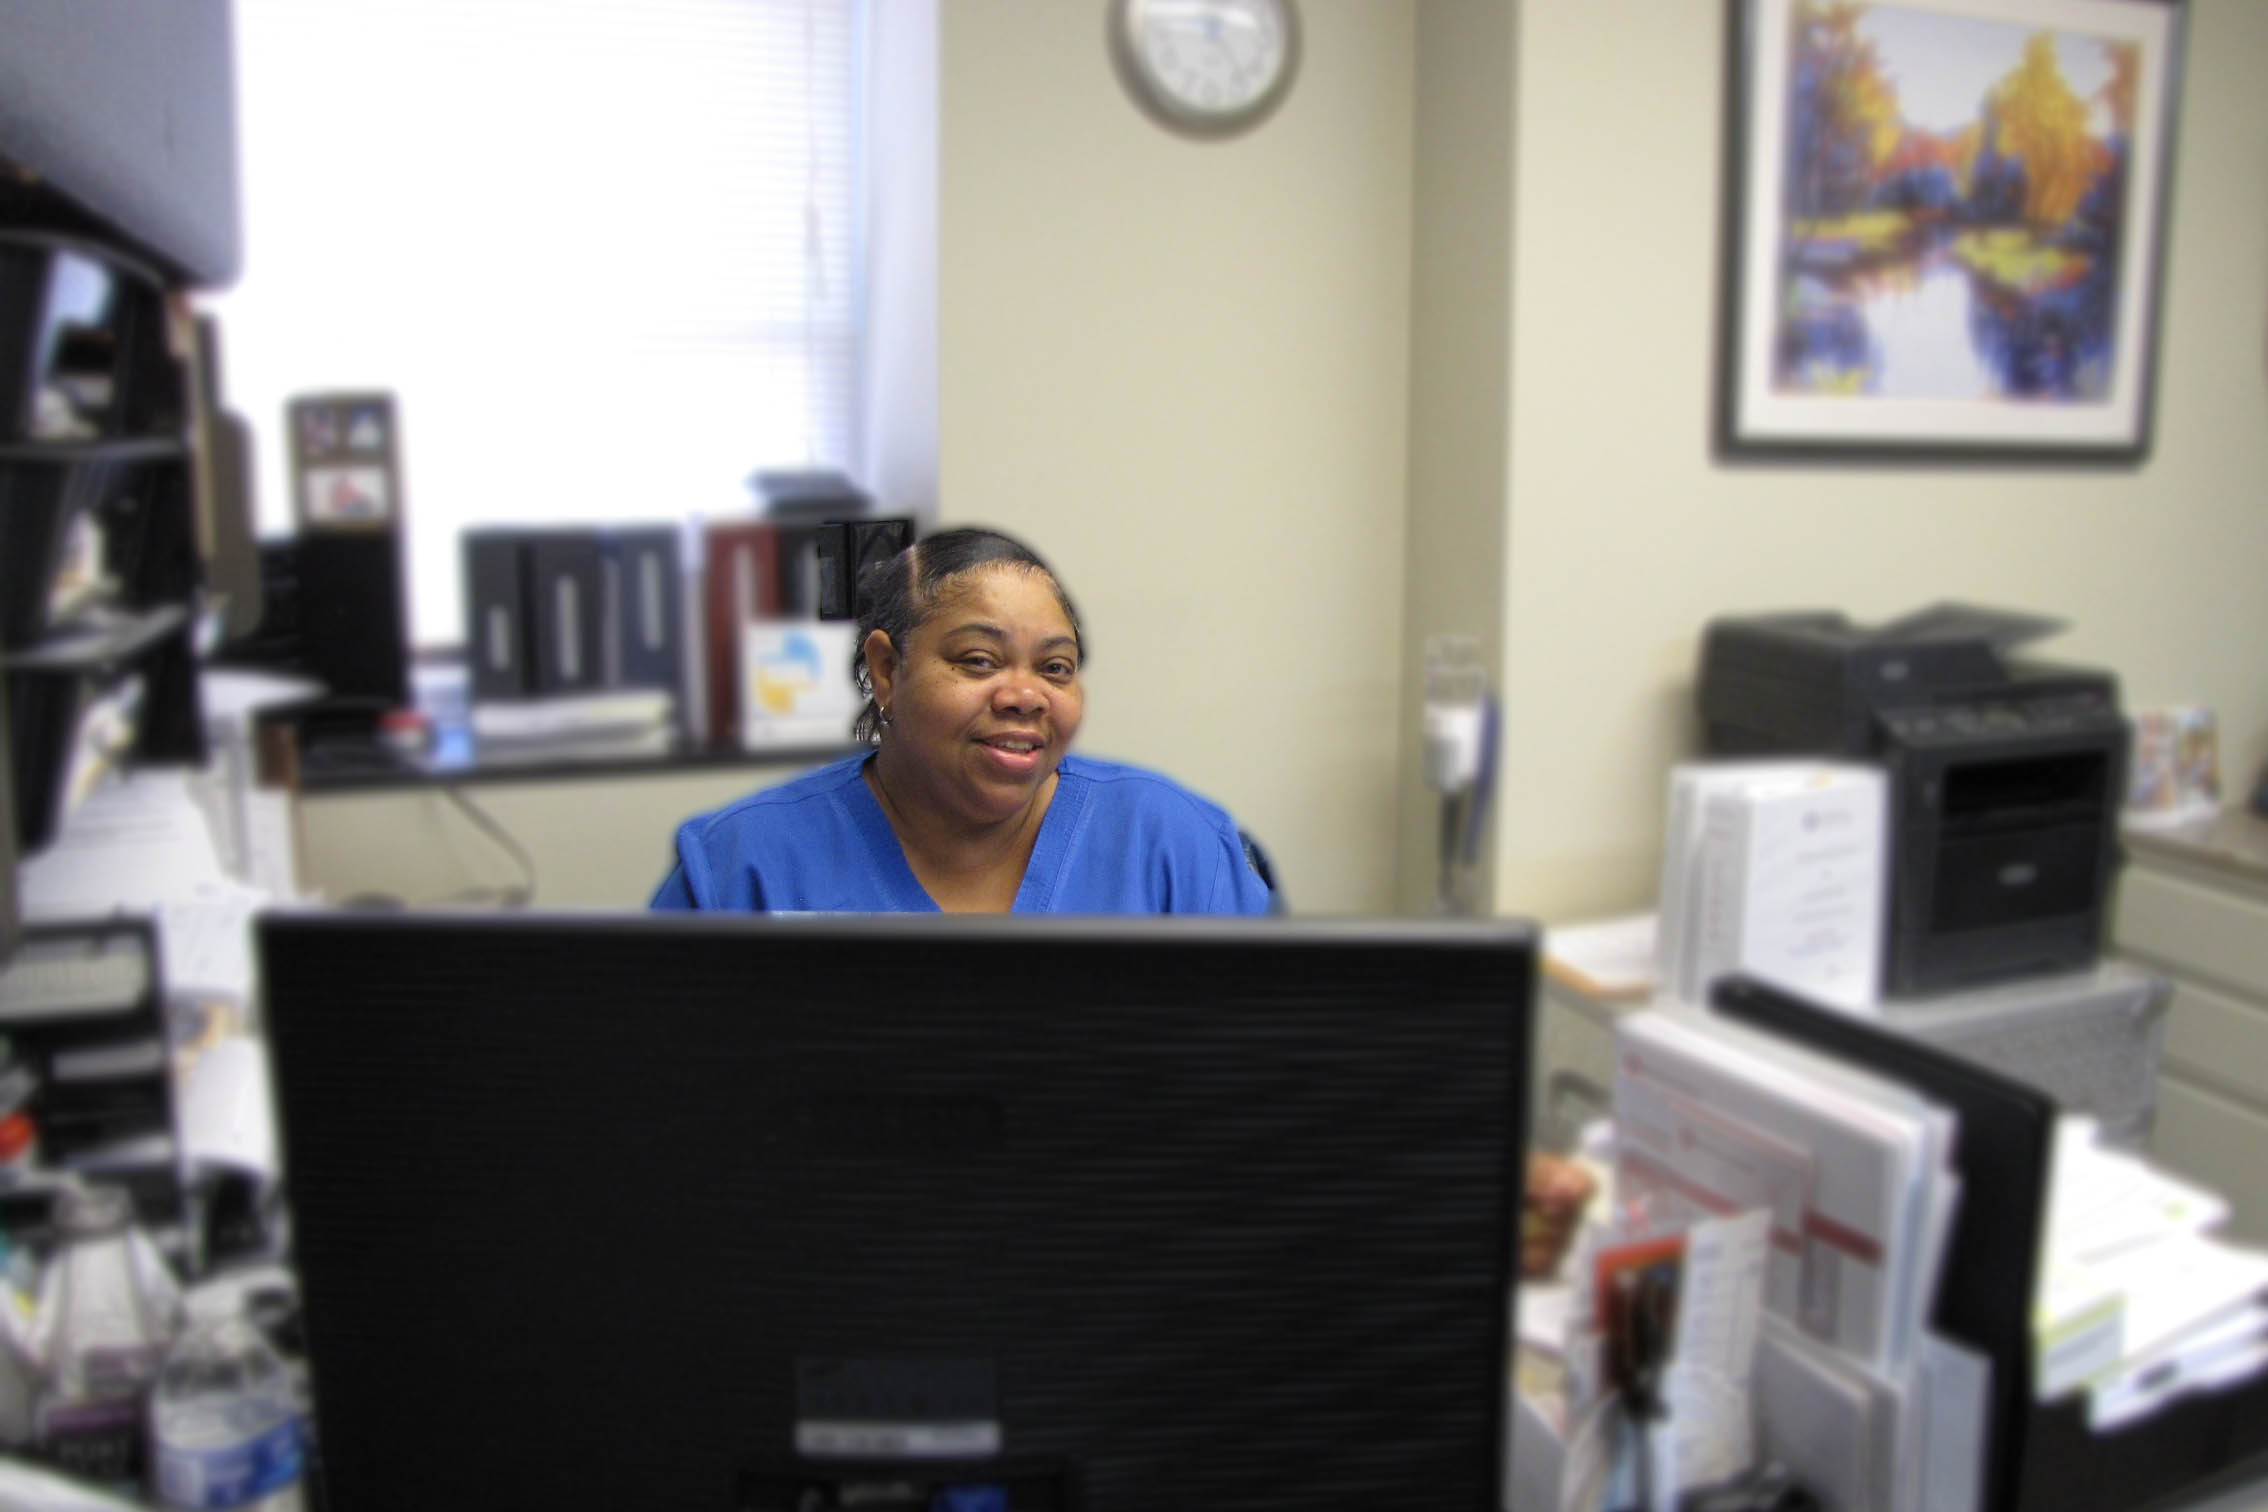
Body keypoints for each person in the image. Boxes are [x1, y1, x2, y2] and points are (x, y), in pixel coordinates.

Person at [651, 527, 1273, 915]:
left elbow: (1268, 1071)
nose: (1025, 695)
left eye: (1056, 668)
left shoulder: (1174, 844)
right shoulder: (742, 867)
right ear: (888, 671)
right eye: (979, 660)